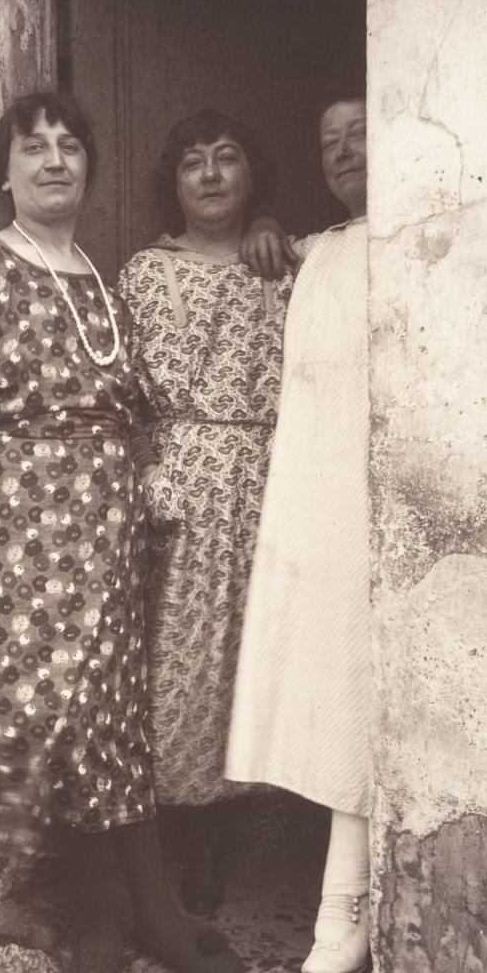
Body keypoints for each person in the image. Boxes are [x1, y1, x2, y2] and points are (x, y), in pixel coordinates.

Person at [0, 92, 244, 973]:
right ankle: (122, 909)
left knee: (110, 717)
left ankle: (114, 921)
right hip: (22, 530)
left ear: (86, 168)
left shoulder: (103, 280)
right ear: (4, 172)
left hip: (109, 530)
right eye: (32, 147)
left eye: (69, 147)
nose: (55, 161)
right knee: (43, 714)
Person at [117, 111, 291, 914]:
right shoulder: (145, 272)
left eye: (228, 159)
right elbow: (118, 391)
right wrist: (146, 474)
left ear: (252, 177)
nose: (212, 175)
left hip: (271, 483)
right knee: (170, 663)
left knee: (251, 662)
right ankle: (171, 847)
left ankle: (233, 842)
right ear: (174, 183)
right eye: (193, 163)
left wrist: (271, 231)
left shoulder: (285, 263)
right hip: (175, 485)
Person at [227, 83, 373, 973]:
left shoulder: (425, 241)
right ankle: (340, 892)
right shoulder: (315, 249)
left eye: (363, 132)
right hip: (316, 493)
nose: (346, 149)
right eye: (330, 140)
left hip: (382, 493)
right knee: (325, 679)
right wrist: (268, 227)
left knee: (367, 679)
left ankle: (348, 900)